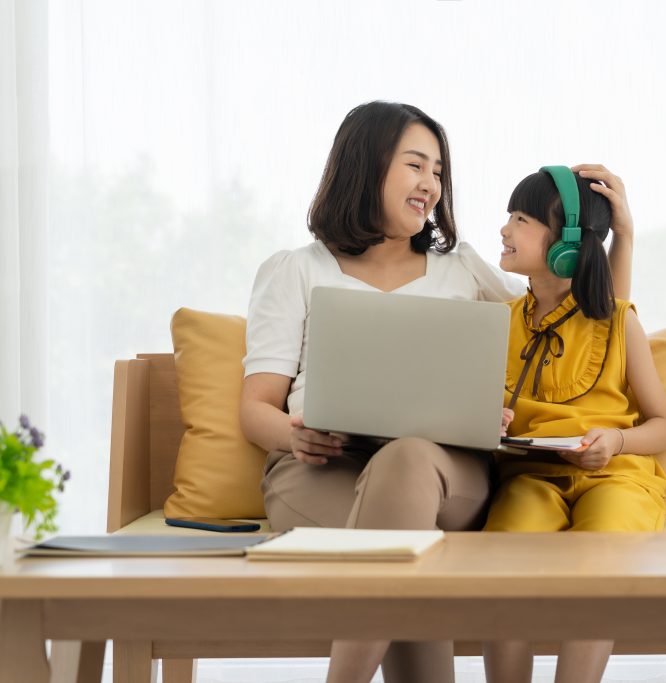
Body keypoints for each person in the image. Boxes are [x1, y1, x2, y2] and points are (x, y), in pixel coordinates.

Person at [238, 101, 635, 683]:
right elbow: (255, 408)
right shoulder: (295, 269)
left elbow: (586, 320)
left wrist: (619, 237)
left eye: (439, 172)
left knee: (407, 460)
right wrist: (296, 436)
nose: (431, 185)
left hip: (450, 473)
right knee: (403, 534)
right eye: (416, 166)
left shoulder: (463, 269)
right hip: (322, 471)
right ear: (365, 167)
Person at [481, 167, 666, 683]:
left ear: (567, 244)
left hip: (617, 475)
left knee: (604, 555)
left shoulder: (617, 319)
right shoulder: (493, 323)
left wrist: (616, 440)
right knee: (504, 563)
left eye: (520, 219)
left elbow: (664, 427)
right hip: (531, 476)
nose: (504, 229)